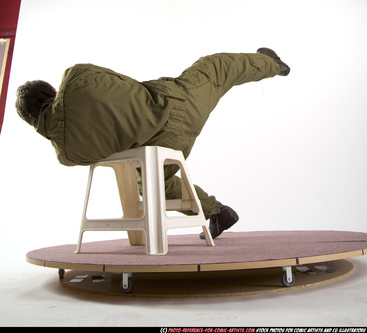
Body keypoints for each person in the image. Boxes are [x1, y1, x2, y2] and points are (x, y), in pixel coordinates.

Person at [15, 48, 290, 239]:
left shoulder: (66, 155)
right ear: (48, 90)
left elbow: (111, 144)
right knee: (216, 67)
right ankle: (272, 64)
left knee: (153, 186)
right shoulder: (74, 77)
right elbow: (123, 82)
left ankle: (217, 212)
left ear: (31, 120)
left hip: (163, 149)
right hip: (178, 103)